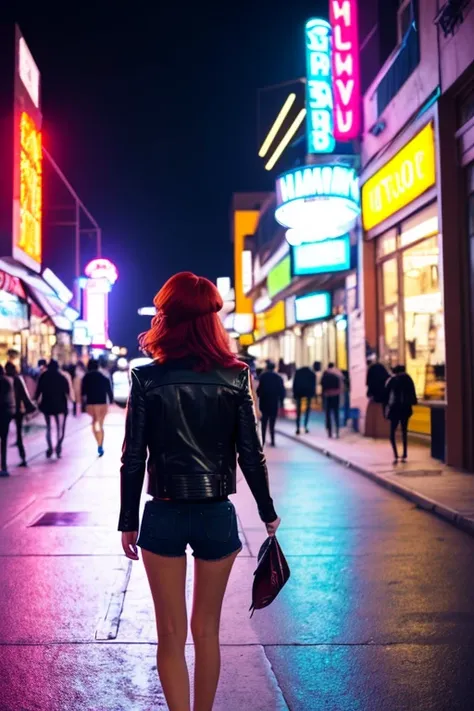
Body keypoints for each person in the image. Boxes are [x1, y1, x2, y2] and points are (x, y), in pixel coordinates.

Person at [119, 272, 280, 711]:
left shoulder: (146, 377)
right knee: (207, 630)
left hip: (163, 513)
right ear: (212, 319)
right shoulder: (235, 376)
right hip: (215, 514)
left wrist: (128, 522)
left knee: (169, 634)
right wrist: (267, 512)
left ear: (167, 317)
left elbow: (133, 457)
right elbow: (251, 453)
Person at [35, 360, 70, 458]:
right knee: (60, 428)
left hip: (47, 405)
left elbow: (38, 391)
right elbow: (67, 392)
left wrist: (36, 401)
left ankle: (50, 447)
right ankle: (58, 446)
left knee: (49, 427)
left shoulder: (43, 376)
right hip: (61, 406)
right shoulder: (62, 377)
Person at [384, 365, 417, 464]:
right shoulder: (408, 379)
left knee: (392, 432)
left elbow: (387, 392)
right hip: (406, 409)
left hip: (395, 409)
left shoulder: (393, 380)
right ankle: (405, 453)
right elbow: (413, 394)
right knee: (404, 431)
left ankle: (395, 454)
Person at [5, 362, 36, 467]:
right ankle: (23, 457)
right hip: (18, 410)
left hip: (7, 410)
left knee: (4, 435)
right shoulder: (18, 379)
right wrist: (29, 407)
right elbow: (24, 395)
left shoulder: (5, 380)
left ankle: (3, 462)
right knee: (19, 435)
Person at [82, 359, 114, 457]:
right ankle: (100, 445)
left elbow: (83, 393)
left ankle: (99, 444)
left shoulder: (86, 377)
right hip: (102, 404)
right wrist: (111, 400)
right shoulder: (103, 377)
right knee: (100, 424)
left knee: (94, 423)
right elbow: (109, 390)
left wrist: (82, 405)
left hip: (91, 404)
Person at [256, 361, 286, 447]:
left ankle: (263, 441)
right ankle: (273, 440)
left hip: (264, 402)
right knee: (272, 423)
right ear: (274, 368)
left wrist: (259, 396)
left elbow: (258, 391)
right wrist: (281, 402)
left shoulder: (262, 377)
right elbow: (282, 391)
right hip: (274, 403)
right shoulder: (278, 377)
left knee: (264, 423)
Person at [293, 362, 318, 435]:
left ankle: (297, 428)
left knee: (298, 411)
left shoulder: (298, 372)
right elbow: (313, 386)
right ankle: (305, 426)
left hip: (299, 393)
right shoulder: (312, 374)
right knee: (307, 410)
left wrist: (294, 393)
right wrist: (313, 394)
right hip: (308, 393)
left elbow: (295, 383)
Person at [321, 362, 344, 438]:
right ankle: (337, 431)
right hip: (336, 395)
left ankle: (330, 432)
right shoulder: (338, 373)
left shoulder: (325, 374)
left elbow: (322, 385)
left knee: (328, 414)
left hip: (328, 395)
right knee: (336, 413)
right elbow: (341, 385)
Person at [0, 366, 15, 476]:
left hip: (4, 412)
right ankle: (3, 465)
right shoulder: (7, 382)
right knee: (4, 440)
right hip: (5, 413)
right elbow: (9, 399)